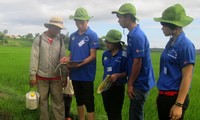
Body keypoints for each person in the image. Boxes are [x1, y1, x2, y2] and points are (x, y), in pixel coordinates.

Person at [112, 3, 155, 120]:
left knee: (135, 115)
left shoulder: (137, 36)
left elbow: (137, 62)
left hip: (140, 82)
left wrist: (130, 83)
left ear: (128, 17)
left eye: (120, 17)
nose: (118, 21)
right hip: (138, 81)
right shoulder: (132, 34)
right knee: (135, 113)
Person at [154, 4, 196, 120]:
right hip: (164, 97)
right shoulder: (171, 43)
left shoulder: (185, 46)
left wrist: (178, 105)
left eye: (163, 24)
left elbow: (187, 77)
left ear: (173, 26)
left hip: (174, 98)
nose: (161, 27)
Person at [29, 16, 66, 120]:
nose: (58, 30)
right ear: (50, 26)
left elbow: (63, 60)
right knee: (42, 102)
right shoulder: (39, 39)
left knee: (58, 102)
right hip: (41, 78)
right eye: (56, 28)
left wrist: (64, 76)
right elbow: (34, 57)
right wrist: (32, 75)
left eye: (59, 29)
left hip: (56, 78)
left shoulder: (60, 41)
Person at [67, 7, 99, 120]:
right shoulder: (72, 36)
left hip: (87, 75)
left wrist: (79, 65)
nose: (80, 25)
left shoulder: (92, 35)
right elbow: (71, 53)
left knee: (89, 101)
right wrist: (67, 60)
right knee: (79, 99)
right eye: (77, 22)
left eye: (82, 22)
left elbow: (93, 55)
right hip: (75, 74)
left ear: (87, 21)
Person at [101, 29, 127, 120]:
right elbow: (105, 68)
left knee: (116, 113)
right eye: (106, 41)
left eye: (109, 42)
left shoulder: (124, 55)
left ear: (116, 43)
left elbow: (127, 72)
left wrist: (117, 76)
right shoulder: (105, 54)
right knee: (108, 111)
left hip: (117, 87)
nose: (107, 44)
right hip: (105, 87)